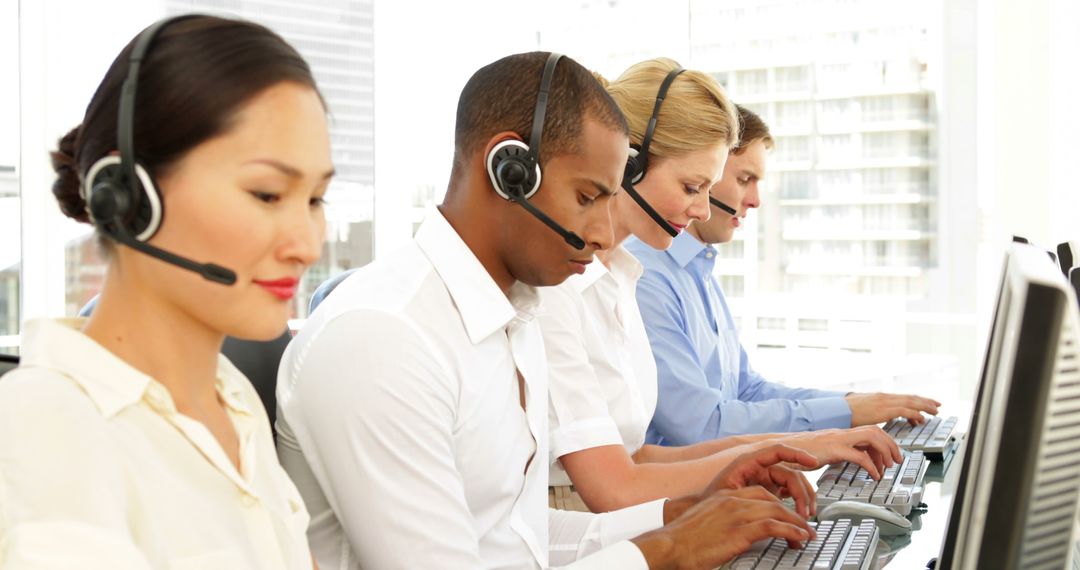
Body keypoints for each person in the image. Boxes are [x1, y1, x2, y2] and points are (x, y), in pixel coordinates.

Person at [276, 51, 819, 569]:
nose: (604, 233)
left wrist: (687, 515)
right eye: (587, 198)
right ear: (509, 168)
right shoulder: (384, 337)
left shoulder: (514, 317)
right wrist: (666, 552)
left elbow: (520, 539)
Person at [0, 15, 330, 568]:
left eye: (316, 200)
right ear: (128, 198)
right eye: (268, 194)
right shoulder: (46, 427)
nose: (307, 245)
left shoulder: (231, 396)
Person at [540, 60, 901, 514]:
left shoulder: (621, 279)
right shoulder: (564, 287)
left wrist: (792, 449)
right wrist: (795, 446)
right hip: (581, 524)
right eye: (693, 187)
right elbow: (620, 481)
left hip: (624, 514)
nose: (700, 209)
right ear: (628, 165)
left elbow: (637, 455)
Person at [627, 105, 942, 447]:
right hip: (679, 496)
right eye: (744, 179)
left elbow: (747, 390)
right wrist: (845, 415)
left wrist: (852, 405)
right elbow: (701, 425)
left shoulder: (698, 271)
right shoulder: (647, 275)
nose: (756, 201)